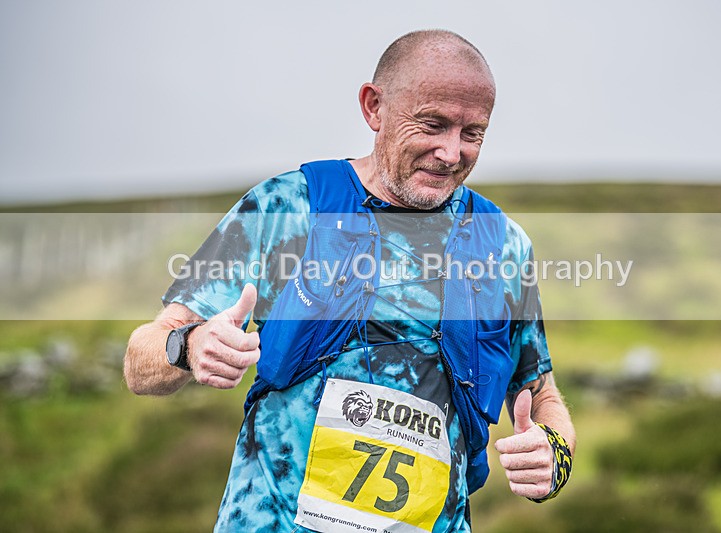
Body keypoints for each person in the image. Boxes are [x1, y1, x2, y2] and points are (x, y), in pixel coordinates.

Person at [125, 29, 575, 532]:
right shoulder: (286, 208)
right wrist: (189, 346)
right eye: (433, 124)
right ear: (374, 107)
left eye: (473, 134)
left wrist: (553, 457)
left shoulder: (502, 245)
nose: (452, 152)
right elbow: (140, 359)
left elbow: (543, 397)